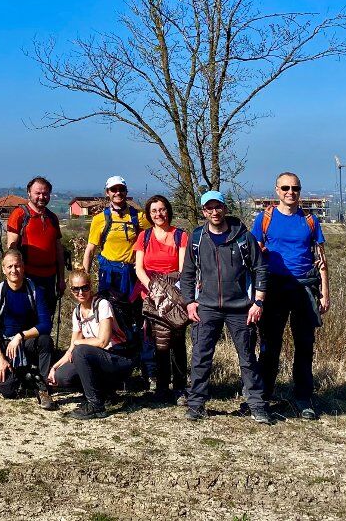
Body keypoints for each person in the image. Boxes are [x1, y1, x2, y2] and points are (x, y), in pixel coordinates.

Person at [180, 190, 271, 424]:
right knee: (201, 356)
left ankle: (256, 405)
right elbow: (188, 273)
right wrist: (189, 302)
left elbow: (261, 269)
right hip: (206, 306)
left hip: (241, 307)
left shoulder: (243, 237)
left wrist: (258, 302)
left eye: (217, 207)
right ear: (203, 212)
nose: (214, 212)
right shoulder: (198, 238)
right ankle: (196, 404)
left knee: (247, 358)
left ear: (225, 208)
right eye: (209, 208)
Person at [255, 172, 331, 420]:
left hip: (304, 288)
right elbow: (254, 255)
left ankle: (303, 397)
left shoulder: (310, 220)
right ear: (277, 190)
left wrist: (325, 293)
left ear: (300, 191)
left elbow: (321, 259)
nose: (290, 192)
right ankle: (262, 397)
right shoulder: (264, 218)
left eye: (295, 188)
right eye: (285, 187)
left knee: (305, 345)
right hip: (274, 288)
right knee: (269, 345)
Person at [82, 176, 150, 386]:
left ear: (126, 191)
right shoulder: (100, 219)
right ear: (107, 193)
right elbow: (90, 249)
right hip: (109, 275)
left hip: (131, 273)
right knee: (110, 319)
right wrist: (84, 279)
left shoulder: (139, 217)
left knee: (138, 318)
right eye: (113, 190)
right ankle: (112, 366)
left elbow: (156, 230)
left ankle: (143, 365)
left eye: (121, 189)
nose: (117, 193)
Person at [48, 269, 132, 418]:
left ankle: (96, 405)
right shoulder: (77, 313)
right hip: (99, 359)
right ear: (71, 290)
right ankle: (103, 393)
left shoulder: (102, 305)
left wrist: (79, 342)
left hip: (118, 357)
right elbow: (71, 350)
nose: (81, 292)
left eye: (84, 287)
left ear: (91, 286)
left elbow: (103, 341)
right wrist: (54, 368)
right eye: (76, 289)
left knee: (81, 351)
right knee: (62, 376)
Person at [0, 249, 56, 410]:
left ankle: (43, 387)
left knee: (45, 340)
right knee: (8, 391)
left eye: (17, 266)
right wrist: (1, 358)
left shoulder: (35, 290)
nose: (13, 270)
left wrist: (20, 336)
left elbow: (46, 324)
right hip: (6, 346)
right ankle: (25, 375)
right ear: (3, 269)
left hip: (27, 341)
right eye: (9, 267)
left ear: (23, 267)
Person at [133, 195, 188, 401]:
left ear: (168, 211)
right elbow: (139, 268)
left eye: (162, 209)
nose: (159, 214)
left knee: (178, 340)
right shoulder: (144, 237)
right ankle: (162, 387)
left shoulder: (180, 235)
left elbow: (183, 269)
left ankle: (180, 387)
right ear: (149, 214)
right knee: (158, 342)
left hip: (174, 295)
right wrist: (153, 289)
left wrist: (167, 291)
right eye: (154, 211)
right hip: (150, 295)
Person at [4, 177, 65, 315]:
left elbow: (58, 250)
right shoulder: (19, 215)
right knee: (27, 318)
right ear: (29, 193)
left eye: (45, 193)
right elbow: (11, 251)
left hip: (50, 278)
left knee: (46, 317)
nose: (41, 197)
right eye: (38, 193)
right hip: (27, 277)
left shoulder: (52, 218)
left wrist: (61, 279)